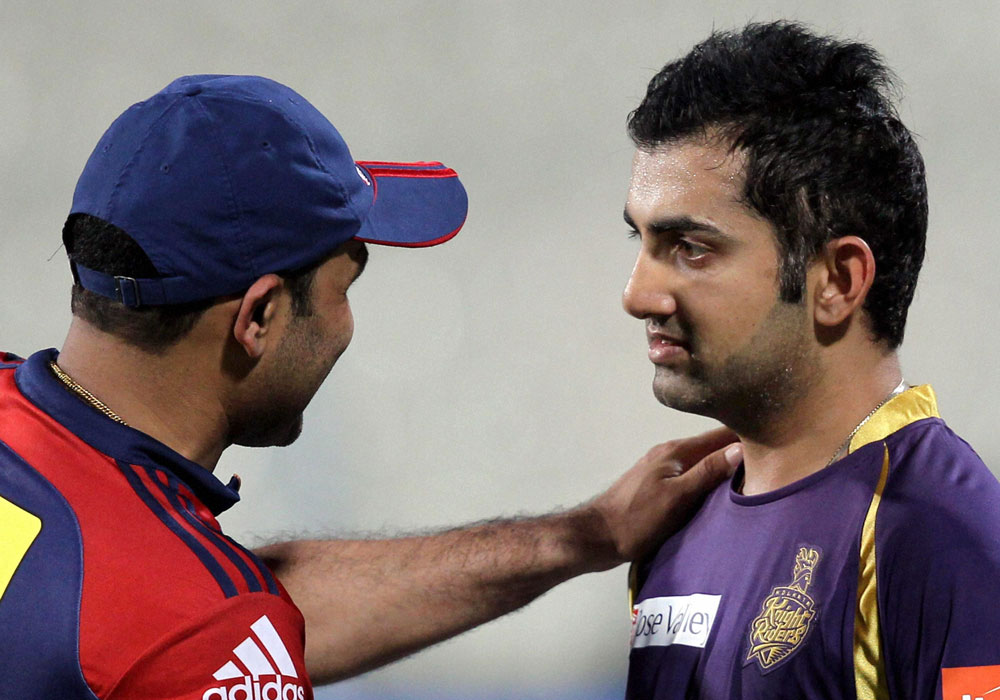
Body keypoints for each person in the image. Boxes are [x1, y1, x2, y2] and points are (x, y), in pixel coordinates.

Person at [0, 74, 742, 699]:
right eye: (344, 284)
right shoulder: (191, 636)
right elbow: (199, 630)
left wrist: (584, 536)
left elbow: (234, 612)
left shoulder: (154, 598)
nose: (347, 325)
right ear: (258, 315)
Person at [621, 21, 1000, 700]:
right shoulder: (667, 533)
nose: (637, 293)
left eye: (691, 248)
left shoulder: (942, 542)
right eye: (641, 240)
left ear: (837, 280)